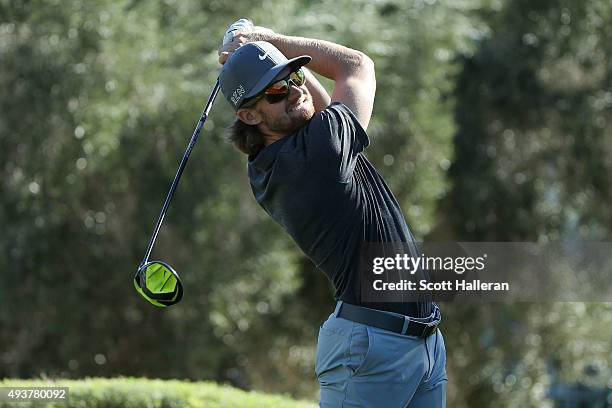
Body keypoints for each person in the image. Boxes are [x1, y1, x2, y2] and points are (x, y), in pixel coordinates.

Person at [218, 19, 447, 407]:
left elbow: (313, 106)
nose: (294, 91)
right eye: (277, 90)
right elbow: (357, 66)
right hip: (372, 350)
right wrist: (274, 41)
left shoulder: (277, 155)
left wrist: (264, 60)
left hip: (418, 342)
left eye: (294, 76)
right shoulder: (316, 155)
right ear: (250, 116)